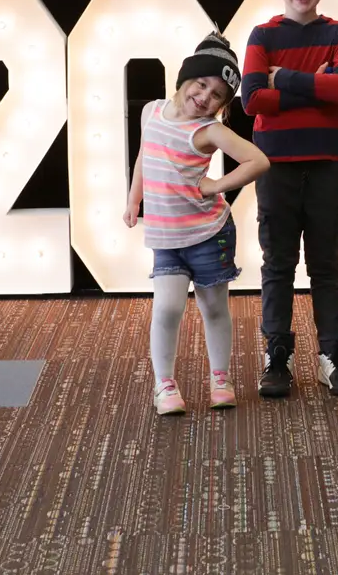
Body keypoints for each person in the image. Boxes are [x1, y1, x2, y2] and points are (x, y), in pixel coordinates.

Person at [123, 32, 269, 416]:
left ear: (223, 106)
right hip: (167, 236)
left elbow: (258, 161)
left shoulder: (208, 130)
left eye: (217, 95)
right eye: (202, 84)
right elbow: (144, 154)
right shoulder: (151, 111)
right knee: (167, 308)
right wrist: (134, 197)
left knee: (214, 308)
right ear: (185, 77)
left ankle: (220, 378)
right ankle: (164, 384)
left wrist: (216, 186)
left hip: (208, 235)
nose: (205, 97)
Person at [242, 0, 338, 398]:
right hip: (275, 167)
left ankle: (333, 356)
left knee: (326, 266)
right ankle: (278, 356)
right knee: (278, 265)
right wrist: (318, 83)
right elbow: (253, 98)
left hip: (328, 165)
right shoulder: (263, 36)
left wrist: (286, 80)